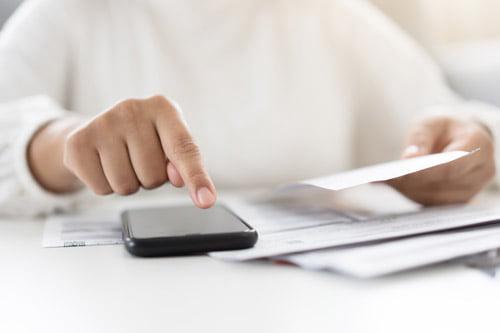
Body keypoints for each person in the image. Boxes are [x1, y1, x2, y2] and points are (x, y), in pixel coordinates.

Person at [0, 0, 497, 217]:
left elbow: (457, 121)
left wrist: (476, 139)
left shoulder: (331, 17)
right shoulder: (68, 13)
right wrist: (57, 149)